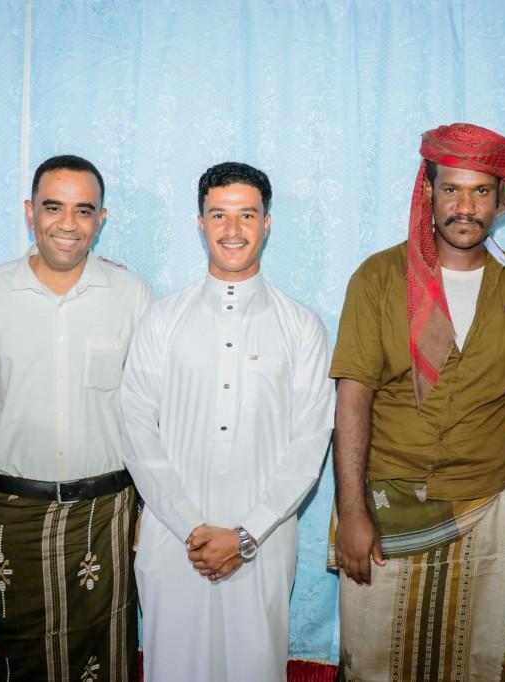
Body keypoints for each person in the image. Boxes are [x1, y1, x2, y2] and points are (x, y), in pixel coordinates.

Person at [330, 123, 505, 681]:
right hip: (385, 506)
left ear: (501, 197)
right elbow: (353, 398)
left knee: (475, 659)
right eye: (452, 189)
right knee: (375, 662)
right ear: (428, 190)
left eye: (481, 191)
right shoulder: (379, 277)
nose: (465, 207)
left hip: (483, 505)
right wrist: (352, 513)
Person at [120, 161, 335, 682]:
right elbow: (136, 428)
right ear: (200, 223)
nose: (232, 229)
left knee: (253, 666)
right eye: (219, 215)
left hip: (263, 540)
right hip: (174, 540)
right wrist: (191, 527)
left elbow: (310, 442)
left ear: (267, 223)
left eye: (247, 215)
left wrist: (245, 534)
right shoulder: (162, 319)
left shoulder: (302, 327)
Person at [0, 154, 151, 681]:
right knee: (12, 655)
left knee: (102, 656)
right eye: (53, 207)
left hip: (105, 517)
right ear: (29, 211)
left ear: (101, 219)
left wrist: (151, 507)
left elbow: (149, 411)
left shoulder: (131, 295)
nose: (68, 224)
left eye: (84, 210)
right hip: (10, 517)